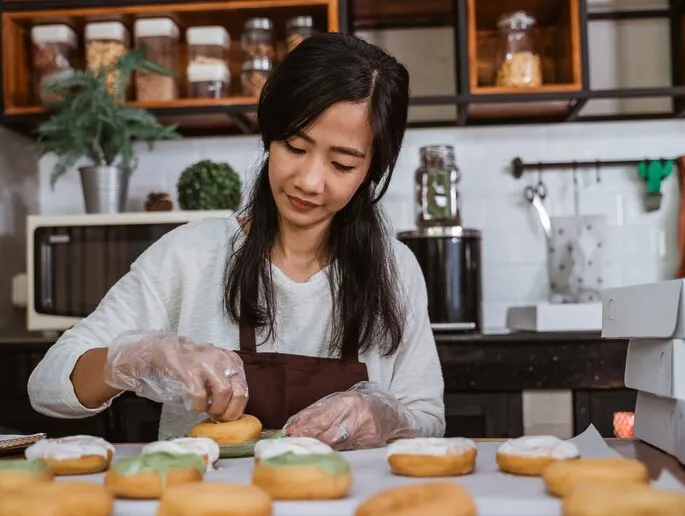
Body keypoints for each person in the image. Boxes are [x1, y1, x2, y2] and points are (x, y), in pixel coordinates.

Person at [27, 33, 445, 449]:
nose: (309, 181)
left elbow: (428, 419)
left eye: (341, 164)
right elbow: (47, 384)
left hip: (355, 508)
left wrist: (387, 418)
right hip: (202, 505)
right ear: (270, 137)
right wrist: (137, 358)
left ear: (371, 168)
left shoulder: (396, 269)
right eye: (294, 147)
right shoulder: (190, 255)